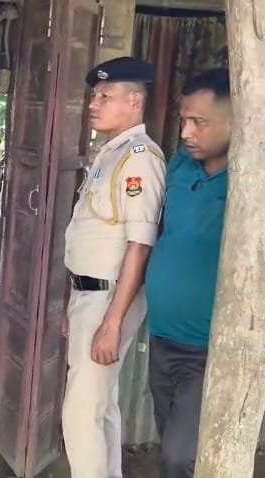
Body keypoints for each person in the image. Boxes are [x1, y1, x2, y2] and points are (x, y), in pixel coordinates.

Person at [60, 57, 167, 478]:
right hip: (91, 296)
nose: (93, 104)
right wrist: (76, 304)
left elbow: (140, 245)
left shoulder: (140, 159)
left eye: (105, 96)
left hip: (109, 299)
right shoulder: (111, 154)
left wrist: (112, 323)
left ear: (134, 102)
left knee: (80, 413)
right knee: (100, 406)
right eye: (94, 96)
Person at [144, 69, 231, 478]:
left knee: (180, 455)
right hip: (162, 338)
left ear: (237, 122)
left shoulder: (250, 183)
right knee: (170, 444)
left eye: (200, 122)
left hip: (208, 349)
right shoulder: (181, 164)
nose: (186, 133)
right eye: (184, 120)